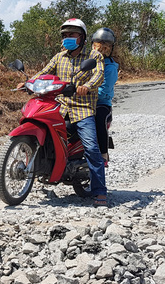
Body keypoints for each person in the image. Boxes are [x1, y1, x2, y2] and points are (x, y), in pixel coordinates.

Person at [18, 18, 107, 206]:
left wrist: (87, 86)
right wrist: (29, 82)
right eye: (65, 35)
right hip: (60, 105)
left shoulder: (94, 56)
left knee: (91, 148)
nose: (68, 38)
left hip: (82, 110)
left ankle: (100, 191)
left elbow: (98, 75)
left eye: (72, 35)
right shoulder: (59, 57)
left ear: (82, 37)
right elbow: (44, 72)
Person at [91, 27, 119, 167]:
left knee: (99, 118)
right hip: (83, 102)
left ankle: (103, 154)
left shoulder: (110, 67)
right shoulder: (87, 62)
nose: (102, 49)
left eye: (106, 46)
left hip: (101, 103)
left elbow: (104, 91)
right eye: (98, 45)